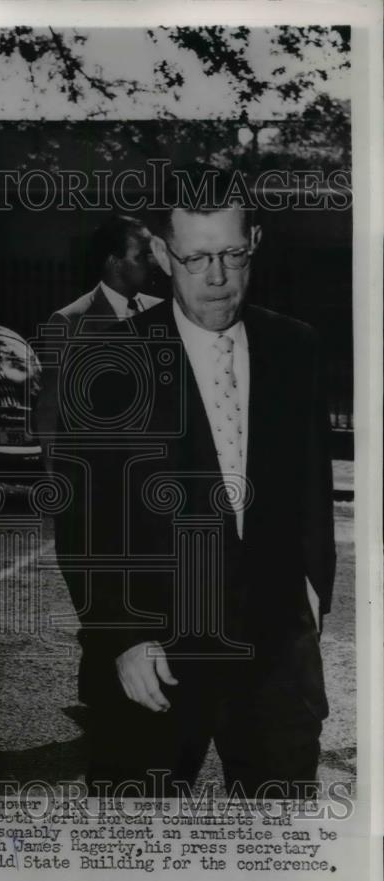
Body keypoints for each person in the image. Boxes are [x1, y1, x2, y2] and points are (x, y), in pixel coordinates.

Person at [52, 168, 335, 797]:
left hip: (277, 654)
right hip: (153, 656)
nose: (216, 278)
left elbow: (311, 488)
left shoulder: (296, 348)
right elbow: (83, 519)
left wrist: (312, 594)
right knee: (136, 869)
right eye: (197, 257)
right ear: (160, 253)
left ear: (254, 240)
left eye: (232, 254)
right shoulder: (105, 364)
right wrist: (123, 636)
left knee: (280, 859)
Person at [34, 215, 161, 703]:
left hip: (147, 485)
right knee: (97, 586)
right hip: (88, 485)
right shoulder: (70, 320)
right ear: (113, 261)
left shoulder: (161, 313)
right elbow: (51, 406)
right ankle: (105, 695)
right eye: (141, 254)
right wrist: (56, 478)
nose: (151, 264)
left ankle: (120, 693)